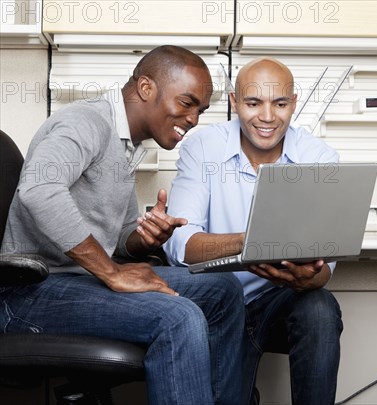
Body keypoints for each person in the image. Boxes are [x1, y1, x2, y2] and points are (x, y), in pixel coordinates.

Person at [0, 45, 244, 405]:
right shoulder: (85, 122)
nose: (193, 119)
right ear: (146, 88)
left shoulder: (128, 145)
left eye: (201, 110)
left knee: (222, 289)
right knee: (178, 318)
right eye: (188, 102)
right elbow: (38, 190)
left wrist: (143, 240)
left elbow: (118, 241)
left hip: (77, 279)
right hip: (29, 292)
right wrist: (113, 272)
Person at [164, 57, 344, 405]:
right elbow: (180, 243)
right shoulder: (203, 148)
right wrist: (251, 243)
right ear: (234, 102)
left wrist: (310, 277)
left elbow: (326, 265)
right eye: (253, 103)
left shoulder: (319, 157)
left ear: (294, 103)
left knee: (320, 307)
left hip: (278, 301)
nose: (266, 116)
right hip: (216, 306)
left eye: (279, 104)